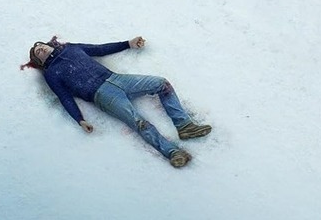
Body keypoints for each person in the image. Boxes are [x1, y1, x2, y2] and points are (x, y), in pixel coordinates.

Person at [21, 36, 211, 168]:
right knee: (138, 122)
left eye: (40, 45)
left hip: (117, 79)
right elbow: (64, 97)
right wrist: (80, 119)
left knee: (161, 83)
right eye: (38, 52)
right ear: (41, 61)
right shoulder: (51, 73)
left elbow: (99, 49)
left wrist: (128, 43)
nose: (40, 48)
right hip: (102, 96)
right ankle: (173, 153)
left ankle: (185, 126)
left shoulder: (71, 48)